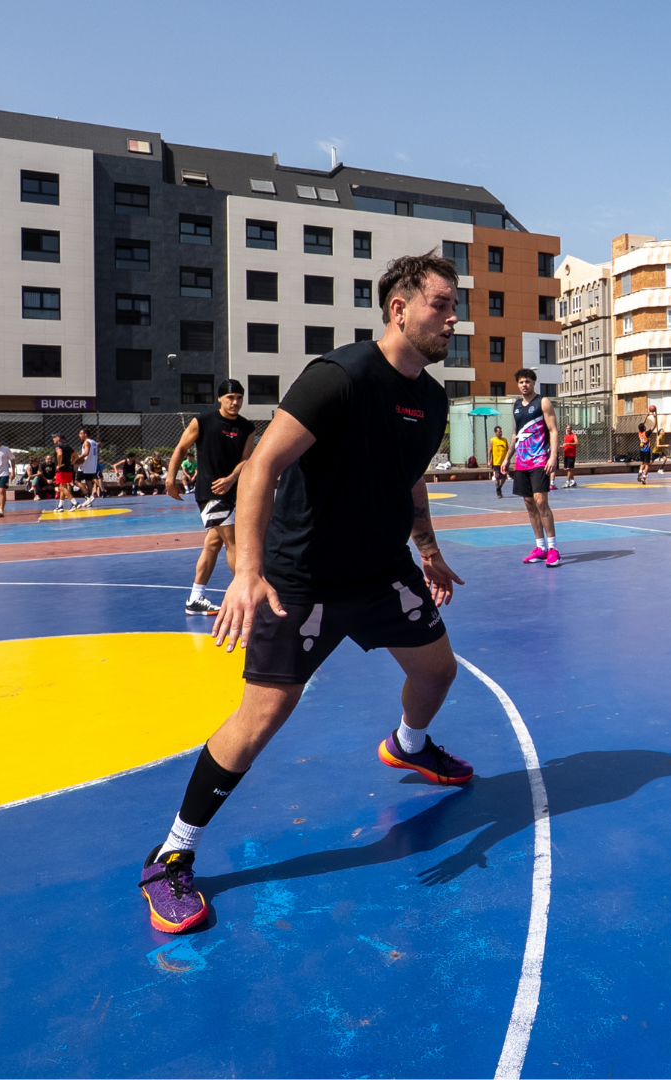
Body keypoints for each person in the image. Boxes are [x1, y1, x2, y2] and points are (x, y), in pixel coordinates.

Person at [137, 252, 468, 935]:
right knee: (263, 715)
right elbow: (262, 465)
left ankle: (408, 744)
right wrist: (248, 572)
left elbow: (410, 480)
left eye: (454, 306)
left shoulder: (431, 399)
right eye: (441, 304)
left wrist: (429, 551)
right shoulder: (338, 377)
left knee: (438, 670)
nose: (453, 318)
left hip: (380, 571)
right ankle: (170, 855)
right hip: (305, 576)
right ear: (399, 308)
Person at [168, 379, 258, 615]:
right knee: (234, 543)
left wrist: (231, 478)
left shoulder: (247, 428)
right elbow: (181, 448)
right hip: (211, 493)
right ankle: (248, 596)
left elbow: (246, 459)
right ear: (220, 398)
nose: (235, 402)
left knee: (213, 544)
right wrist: (170, 479)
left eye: (239, 398)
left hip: (233, 491)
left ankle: (195, 598)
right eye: (230, 398)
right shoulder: (203, 422)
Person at [509, 368, 562, 566]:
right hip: (521, 462)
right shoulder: (516, 406)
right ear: (518, 384)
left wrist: (553, 456)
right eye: (521, 382)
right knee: (529, 504)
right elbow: (516, 433)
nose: (524, 385)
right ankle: (540, 548)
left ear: (533, 383)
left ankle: (553, 549)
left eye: (528, 381)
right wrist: (507, 458)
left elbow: (553, 430)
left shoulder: (543, 402)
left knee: (541, 502)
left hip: (539, 460)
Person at [48, 434, 78, 512]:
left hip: (61, 470)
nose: (53, 439)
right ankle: (60, 506)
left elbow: (60, 453)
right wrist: (71, 463)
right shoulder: (68, 446)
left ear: (59, 438)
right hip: (68, 469)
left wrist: (59, 464)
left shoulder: (58, 446)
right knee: (63, 487)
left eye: (54, 437)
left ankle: (75, 503)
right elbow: (76, 456)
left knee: (61, 488)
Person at [76, 427, 103, 509]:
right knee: (88, 481)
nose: (79, 435)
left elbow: (86, 453)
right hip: (92, 465)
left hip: (85, 464)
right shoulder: (93, 442)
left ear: (85, 434)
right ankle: (89, 500)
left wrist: (77, 458)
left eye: (81, 433)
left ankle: (88, 497)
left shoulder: (86, 442)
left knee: (76, 481)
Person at [635, 409, 657, 483]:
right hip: (647, 450)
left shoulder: (639, 433)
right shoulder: (646, 433)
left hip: (642, 450)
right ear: (644, 428)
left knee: (642, 463)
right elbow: (654, 426)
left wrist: (646, 416)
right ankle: (644, 478)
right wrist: (655, 417)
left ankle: (640, 472)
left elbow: (642, 423)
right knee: (647, 464)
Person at [489, 426, 509, 498]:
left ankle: (499, 487)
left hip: (503, 462)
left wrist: (508, 459)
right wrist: (488, 461)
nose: (500, 433)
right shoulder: (492, 440)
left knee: (504, 477)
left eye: (501, 431)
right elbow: (489, 450)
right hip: (496, 462)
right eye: (499, 432)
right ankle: (498, 491)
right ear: (495, 432)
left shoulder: (505, 440)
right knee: (497, 477)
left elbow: (508, 450)